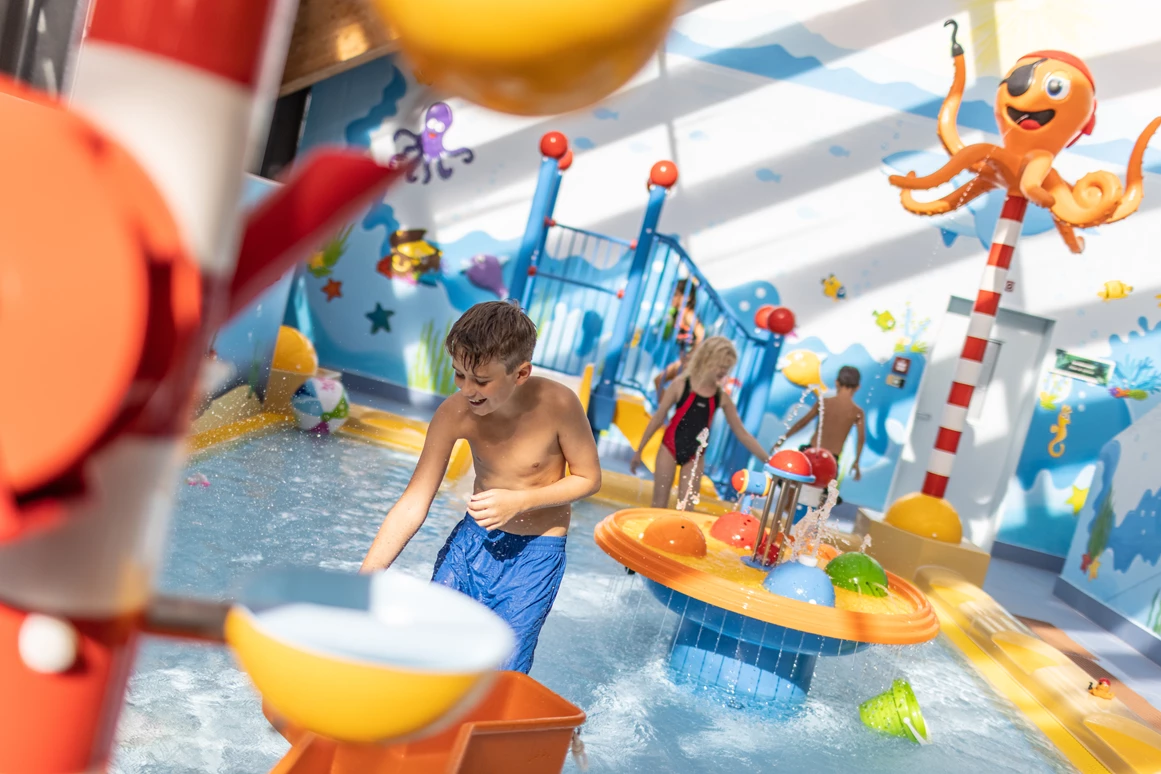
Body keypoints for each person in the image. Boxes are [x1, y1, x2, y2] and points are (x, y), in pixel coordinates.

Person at [360, 301, 601, 673]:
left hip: (535, 556)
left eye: (482, 381)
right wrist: (366, 578)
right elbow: (413, 502)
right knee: (428, 653)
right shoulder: (454, 414)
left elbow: (589, 478)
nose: (468, 390)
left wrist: (522, 501)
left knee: (502, 670)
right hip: (471, 546)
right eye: (459, 375)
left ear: (521, 374)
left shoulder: (557, 404)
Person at [631, 337, 768, 508]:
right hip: (669, 448)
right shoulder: (681, 385)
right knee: (658, 504)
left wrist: (767, 460)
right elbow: (658, 418)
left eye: (727, 368)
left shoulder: (721, 397)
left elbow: (743, 434)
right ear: (706, 359)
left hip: (695, 456)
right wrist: (639, 450)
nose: (723, 371)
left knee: (686, 509)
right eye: (720, 366)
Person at [773, 365, 865, 481]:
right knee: (826, 495)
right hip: (831, 460)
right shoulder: (857, 412)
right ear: (857, 387)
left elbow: (802, 423)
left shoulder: (824, 403)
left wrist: (783, 439)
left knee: (789, 484)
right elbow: (861, 439)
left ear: (837, 383)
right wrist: (856, 461)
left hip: (811, 453)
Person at [654, 279, 705, 399]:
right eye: (672, 294)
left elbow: (701, 334)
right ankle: (665, 414)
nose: (672, 298)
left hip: (691, 362)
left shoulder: (688, 314)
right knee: (661, 382)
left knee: (660, 381)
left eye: (676, 295)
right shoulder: (679, 314)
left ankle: (665, 414)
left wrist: (691, 355)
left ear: (687, 298)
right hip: (685, 360)